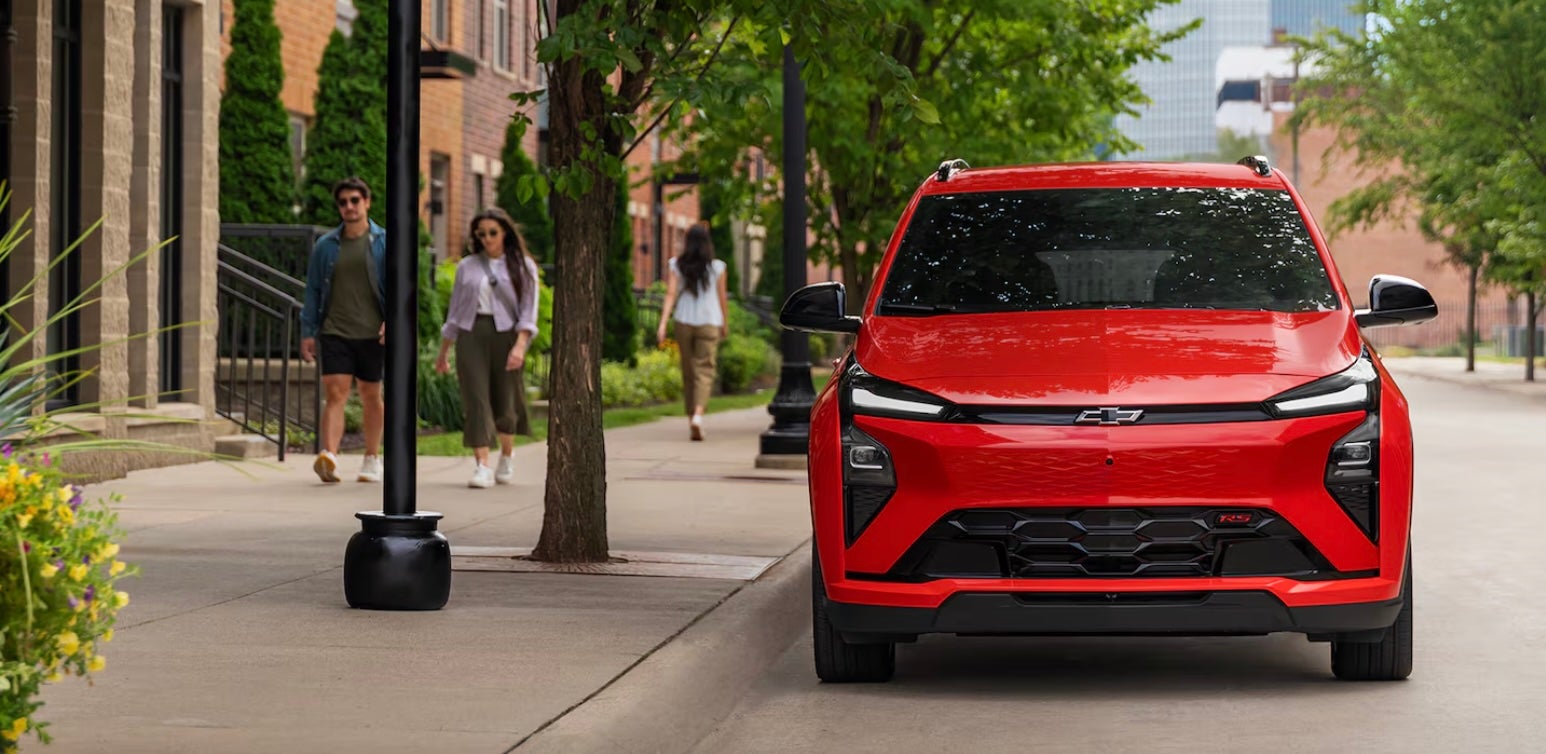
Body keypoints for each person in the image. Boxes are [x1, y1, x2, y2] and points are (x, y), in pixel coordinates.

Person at [435, 208, 540, 488]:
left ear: (505, 232)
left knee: (505, 400)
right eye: (481, 234)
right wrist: (444, 351)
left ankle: (507, 453)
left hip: (507, 334)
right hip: (471, 334)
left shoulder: (523, 266)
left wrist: (520, 345)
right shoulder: (467, 266)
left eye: (493, 232)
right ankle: (482, 465)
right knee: (476, 399)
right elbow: (455, 312)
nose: (487, 239)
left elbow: (529, 311)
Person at [300, 176, 387, 484]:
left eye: (354, 200)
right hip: (335, 330)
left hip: (373, 333)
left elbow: (397, 286)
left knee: (370, 394)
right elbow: (312, 290)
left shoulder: (384, 242)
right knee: (335, 392)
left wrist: (393, 321)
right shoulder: (326, 246)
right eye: (343, 202)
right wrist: (308, 331)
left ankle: (372, 458)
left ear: (367, 202)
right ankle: (330, 457)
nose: (348, 207)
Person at [656, 223, 728, 441]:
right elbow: (722, 298)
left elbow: (670, 295)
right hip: (709, 321)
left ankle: (692, 420)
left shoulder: (677, 265)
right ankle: (698, 415)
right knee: (704, 370)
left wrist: (662, 323)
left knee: (688, 371)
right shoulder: (717, 267)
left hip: (683, 321)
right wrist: (725, 323)